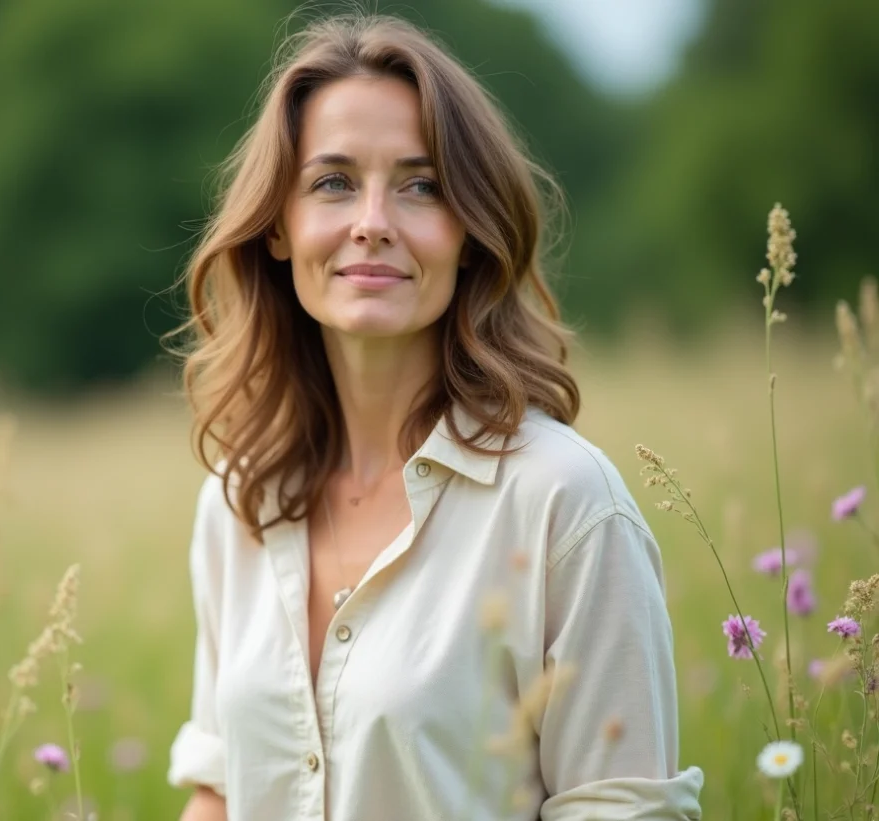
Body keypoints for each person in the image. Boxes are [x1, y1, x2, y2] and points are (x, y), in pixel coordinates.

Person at [164, 11, 704, 821]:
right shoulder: (240, 501)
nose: (373, 220)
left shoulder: (564, 503)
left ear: (471, 232)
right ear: (278, 225)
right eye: (334, 182)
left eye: (421, 186)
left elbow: (622, 809)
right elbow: (221, 790)